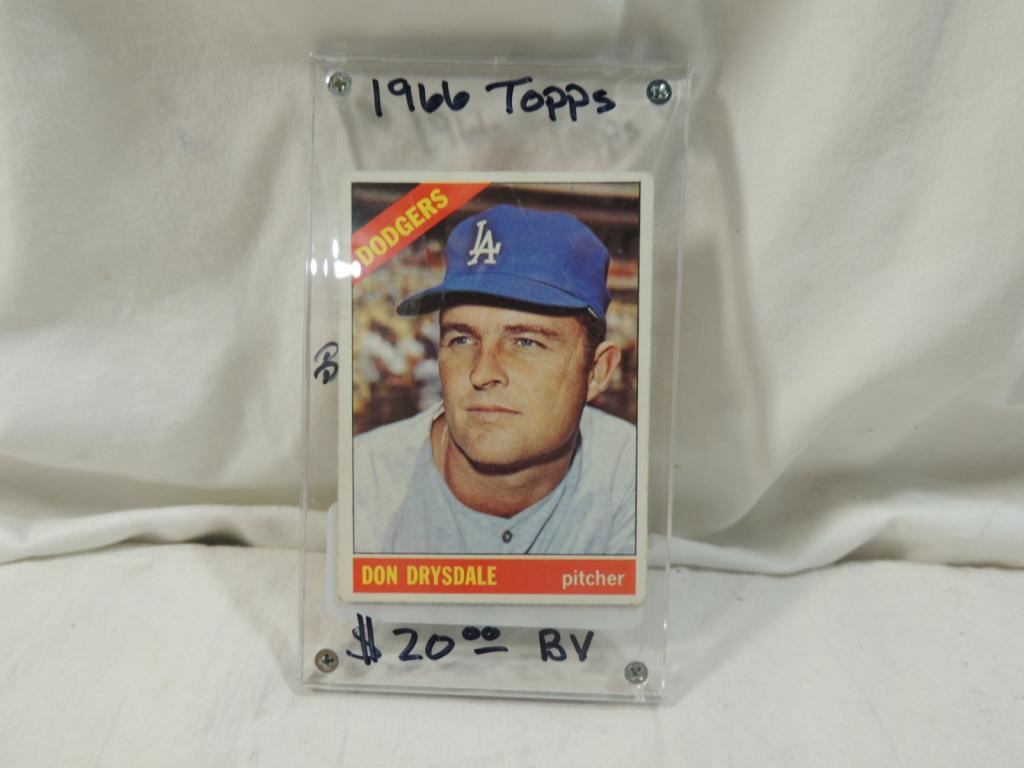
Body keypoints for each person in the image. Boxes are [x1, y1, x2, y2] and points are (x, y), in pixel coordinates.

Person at [353, 204, 637, 555]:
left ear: (597, 372)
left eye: (526, 343)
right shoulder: (363, 479)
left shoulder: (632, 474)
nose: (482, 373)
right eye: (462, 339)